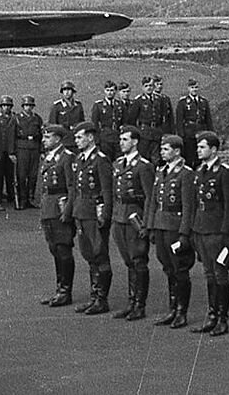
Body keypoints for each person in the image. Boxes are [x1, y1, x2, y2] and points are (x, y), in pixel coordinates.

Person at [188, 131, 229, 336]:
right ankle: (212, 315)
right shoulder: (199, 171)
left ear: (214, 149)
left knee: (220, 273)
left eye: (203, 147)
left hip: (217, 231)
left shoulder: (225, 172)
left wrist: (227, 235)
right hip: (201, 229)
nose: (199, 150)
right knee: (209, 274)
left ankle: (222, 318)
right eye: (198, 147)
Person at [146, 134, 196, 327]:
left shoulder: (186, 173)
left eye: (166, 149)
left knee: (179, 268)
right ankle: (172, 308)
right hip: (160, 224)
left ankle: (182, 311)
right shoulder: (161, 171)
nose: (162, 152)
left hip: (175, 226)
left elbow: (188, 206)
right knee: (167, 266)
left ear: (177, 151)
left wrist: (184, 234)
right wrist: (151, 225)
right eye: (162, 149)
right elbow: (153, 201)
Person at [108, 125, 154, 320]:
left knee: (138, 260)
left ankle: (139, 305)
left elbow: (150, 198)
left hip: (135, 216)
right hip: (119, 216)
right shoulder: (118, 163)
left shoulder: (143, 166)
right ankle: (131, 301)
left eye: (125, 139)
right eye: (120, 139)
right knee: (128, 261)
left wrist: (147, 224)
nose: (121, 143)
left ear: (135, 142)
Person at [68, 122, 114, 315]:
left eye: (80, 137)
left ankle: (102, 299)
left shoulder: (100, 160)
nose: (76, 141)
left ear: (90, 138)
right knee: (89, 254)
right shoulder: (79, 159)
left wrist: (105, 215)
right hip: (81, 211)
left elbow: (107, 191)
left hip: (94, 212)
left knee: (99, 253)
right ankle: (94, 296)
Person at [37, 124, 77, 306]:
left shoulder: (67, 158)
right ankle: (59, 288)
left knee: (63, 249)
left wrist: (68, 211)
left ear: (58, 139)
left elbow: (71, 186)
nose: (44, 140)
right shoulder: (49, 157)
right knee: (54, 249)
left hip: (59, 207)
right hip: (48, 207)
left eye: (48, 137)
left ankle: (65, 291)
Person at [13, 95, 45, 209]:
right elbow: (12, 136)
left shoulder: (37, 118)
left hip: (34, 148)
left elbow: (42, 136)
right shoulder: (16, 118)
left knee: (33, 175)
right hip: (22, 148)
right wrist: (12, 152)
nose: (28, 108)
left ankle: (31, 198)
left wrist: (42, 150)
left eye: (30, 106)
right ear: (23, 106)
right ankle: (23, 199)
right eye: (26, 105)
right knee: (22, 175)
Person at [175, 79, 214, 167]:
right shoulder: (183, 102)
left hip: (201, 132)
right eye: (192, 88)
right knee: (188, 156)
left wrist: (211, 133)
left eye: (196, 87)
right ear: (188, 88)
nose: (194, 90)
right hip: (188, 133)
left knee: (200, 156)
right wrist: (181, 135)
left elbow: (208, 119)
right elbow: (179, 120)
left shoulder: (203, 101)